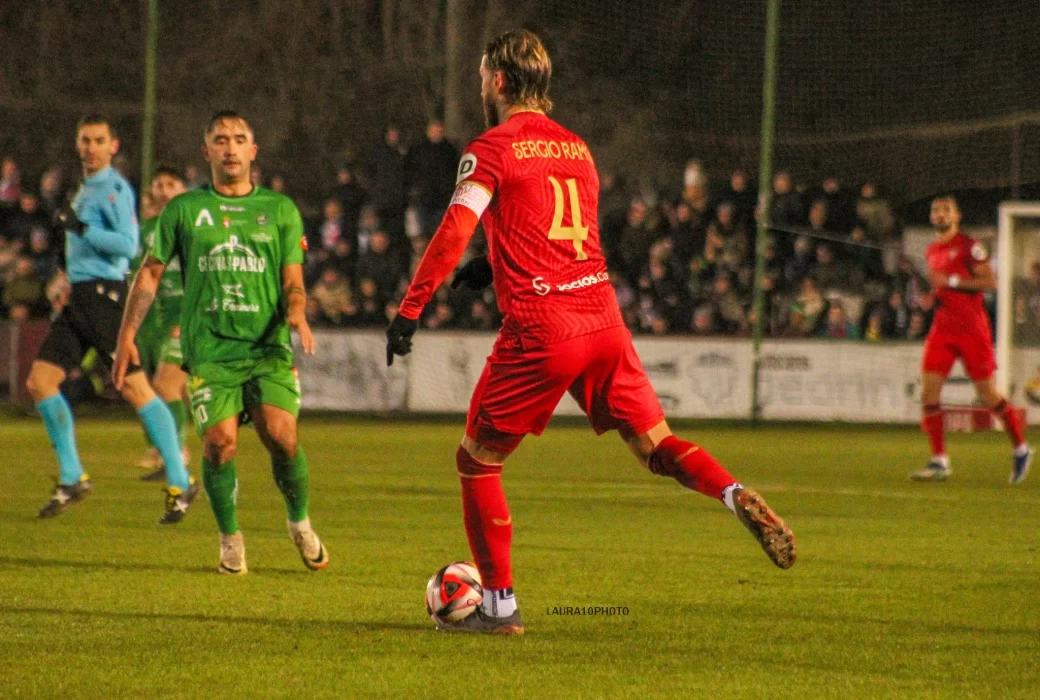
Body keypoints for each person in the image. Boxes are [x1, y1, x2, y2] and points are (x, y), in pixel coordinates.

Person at [386, 30, 795, 636]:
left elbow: (452, 230)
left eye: (480, 76)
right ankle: (733, 493)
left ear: (498, 82)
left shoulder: (490, 148)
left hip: (544, 327)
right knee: (655, 446)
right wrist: (492, 266)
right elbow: (549, 231)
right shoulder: (577, 148)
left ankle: (499, 610)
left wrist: (410, 309)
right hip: (603, 317)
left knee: (477, 462)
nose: (479, 86)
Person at [113, 111, 328, 575]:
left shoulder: (280, 209)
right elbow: (149, 273)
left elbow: (293, 278)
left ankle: (300, 523)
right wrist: (126, 335)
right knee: (219, 443)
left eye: (239, 139)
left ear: (253, 151)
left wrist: (297, 311)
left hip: (266, 348)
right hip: (210, 351)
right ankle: (230, 540)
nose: (230, 147)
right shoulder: (184, 210)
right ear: (206, 151)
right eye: (220, 140)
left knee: (282, 438)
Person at [29, 114, 198, 522]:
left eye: (99, 140)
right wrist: (65, 272)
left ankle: (180, 478)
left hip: (104, 298)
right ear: (78, 143)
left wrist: (81, 226)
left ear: (113, 146)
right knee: (40, 381)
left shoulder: (115, 188)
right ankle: (72, 476)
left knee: (137, 388)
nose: (91, 147)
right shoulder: (86, 188)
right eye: (85, 140)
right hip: (80, 298)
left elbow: (126, 244)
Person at [912, 195, 1031, 484]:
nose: (940, 215)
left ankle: (1021, 448)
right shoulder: (931, 250)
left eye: (946, 210)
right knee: (929, 394)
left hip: (972, 330)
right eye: (936, 211)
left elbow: (990, 282)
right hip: (943, 329)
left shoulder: (969, 246)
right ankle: (939, 460)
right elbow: (941, 289)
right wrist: (932, 297)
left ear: (957, 216)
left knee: (988, 395)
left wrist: (951, 282)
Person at [130, 166, 193, 480]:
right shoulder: (149, 228)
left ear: (183, 190)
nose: (165, 190)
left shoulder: (194, 224)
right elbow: (137, 272)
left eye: (172, 184)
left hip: (189, 315)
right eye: (160, 184)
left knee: (164, 386)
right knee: (168, 388)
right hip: (159, 318)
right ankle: (169, 453)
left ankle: (175, 453)